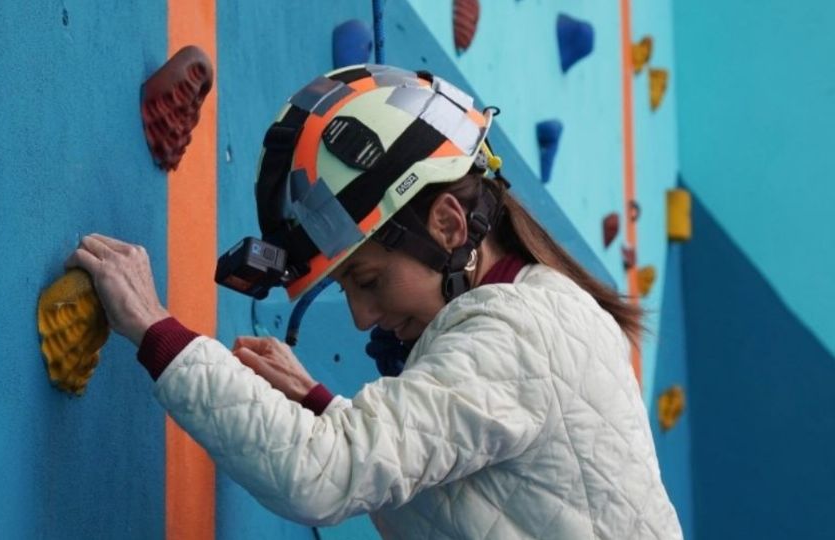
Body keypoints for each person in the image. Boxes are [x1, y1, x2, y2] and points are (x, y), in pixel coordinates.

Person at [67, 65, 683, 539]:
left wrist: (156, 330)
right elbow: (465, 504)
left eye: (366, 278)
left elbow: (320, 473)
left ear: (447, 225)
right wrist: (318, 404)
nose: (362, 316)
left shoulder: (518, 332)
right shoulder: (538, 312)